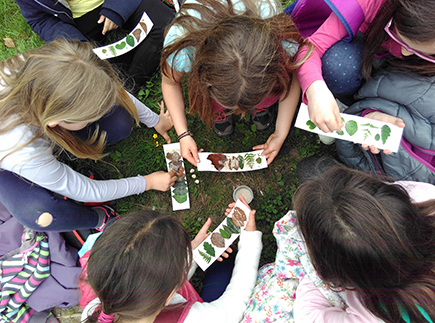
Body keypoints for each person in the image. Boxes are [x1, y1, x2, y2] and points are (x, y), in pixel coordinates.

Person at [0, 39, 178, 232]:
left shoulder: (43, 64)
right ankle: (96, 218)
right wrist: (147, 182)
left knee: (119, 122)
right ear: (56, 120)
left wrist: (155, 120)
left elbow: (107, 88)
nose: (102, 113)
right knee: (39, 213)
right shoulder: (22, 151)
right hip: (8, 167)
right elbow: (84, 190)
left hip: (44, 129)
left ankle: (61, 150)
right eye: (91, 115)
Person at [243, 164, 435, 322]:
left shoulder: (372, 316)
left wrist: (311, 271)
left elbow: (308, 315)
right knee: (309, 171)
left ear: (339, 276)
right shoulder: (425, 196)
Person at [161, 0, 311, 166]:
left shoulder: (279, 31)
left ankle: (262, 104)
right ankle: (219, 111)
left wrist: (281, 133)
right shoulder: (182, 45)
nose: (241, 112)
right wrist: (183, 134)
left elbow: (292, 78)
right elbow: (170, 84)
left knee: (267, 90)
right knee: (213, 100)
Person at [80, 196, 262, 323]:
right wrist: (250, 238)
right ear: (170, 293)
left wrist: (194, 252)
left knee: (220, 260)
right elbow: (233, 306)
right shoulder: (195, 319)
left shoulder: (94, 312)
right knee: (224, 266)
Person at [290, 0, 435, 135]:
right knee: (337, 67)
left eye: (420, 51)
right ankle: (349, 102)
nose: (404, 52)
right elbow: (311, 48)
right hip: (368, 46)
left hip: (411, 72)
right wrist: (316, 90)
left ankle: (368, 105)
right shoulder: (367, 3)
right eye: (402, 39)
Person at [15, 0, 176, 92]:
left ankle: (126, 89)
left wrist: (117, 9)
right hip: (76, 21)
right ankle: (117, 85)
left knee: (168, 25)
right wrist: (76, 43)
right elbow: (40, 19)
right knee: (82, 63)